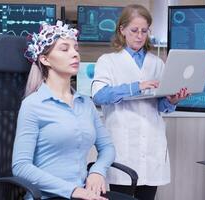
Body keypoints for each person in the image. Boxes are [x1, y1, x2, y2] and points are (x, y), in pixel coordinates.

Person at [91, 4, 190, 200]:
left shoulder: (157, 63)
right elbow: (99, 95)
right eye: (134, 30)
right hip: (123, 146)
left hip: (152, 143)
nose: (139, 35)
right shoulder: (108, 61)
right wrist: (137, 85)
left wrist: (172, 100)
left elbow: (160, 106)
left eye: (144, 31)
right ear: (122, 30)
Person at [12, 21, 115, 200]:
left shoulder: (86, 104)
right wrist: (73, 190)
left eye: (76, 48)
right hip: (47, 196)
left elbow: (107, 147)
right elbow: (21, 166)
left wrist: (97, 171)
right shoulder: (33, 105)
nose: (75, 54)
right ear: (45, 59)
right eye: (64, 49)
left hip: (84, 193)